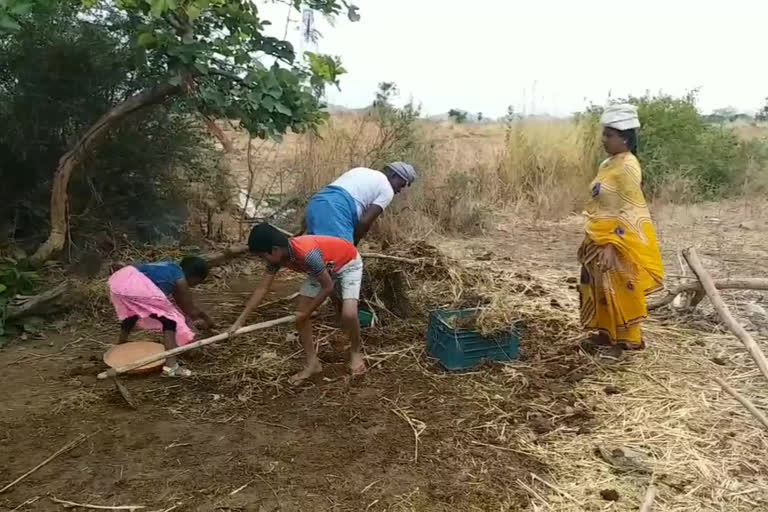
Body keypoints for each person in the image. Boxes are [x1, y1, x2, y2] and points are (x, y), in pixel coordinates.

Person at [578, 103, 664, 358]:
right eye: (604, 134)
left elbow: (629, 208)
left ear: (624, 138)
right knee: (599, 289)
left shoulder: (628, 166)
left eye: (609, 135)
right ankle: (605, 334)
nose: (604, 139)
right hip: (598, 235)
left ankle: (626, 343)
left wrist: (612, 244)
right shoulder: (608, 164)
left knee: (619, 290)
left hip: (617, 240)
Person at [229, 223, 364, 385]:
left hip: (348, 263)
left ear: (275, 250)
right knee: (300, 315)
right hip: (322, 269)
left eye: (263, 256)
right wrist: (239, 322)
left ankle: (356, 352)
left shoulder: (307, 254)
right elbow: (262, 289)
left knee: (349, 314)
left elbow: (328, 287)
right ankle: (312, 363)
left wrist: (307, 312)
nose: (264, 261)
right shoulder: (276, 259)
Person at [108, 256, 214, 377]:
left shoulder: (170, 267)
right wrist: (208, 320)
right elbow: (189, 310)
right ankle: (171, 367)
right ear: (195, 277)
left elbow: (181, 305)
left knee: (133, 312)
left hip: (120, 281)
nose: (194, 286)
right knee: (170, 321)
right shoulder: (180, 279)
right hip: (136, 286)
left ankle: (121, 344)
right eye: (197, 282)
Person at [300, 162, 416, 245]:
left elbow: (332, 195)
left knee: (318, 259)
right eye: (401, 185)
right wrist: (353, 245)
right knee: (344, 263)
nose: (399, 190)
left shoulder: (360, 170)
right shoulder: (387, 189)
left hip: (317, 203)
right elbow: (364, 222)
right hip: (337, 211)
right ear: (394, 175)